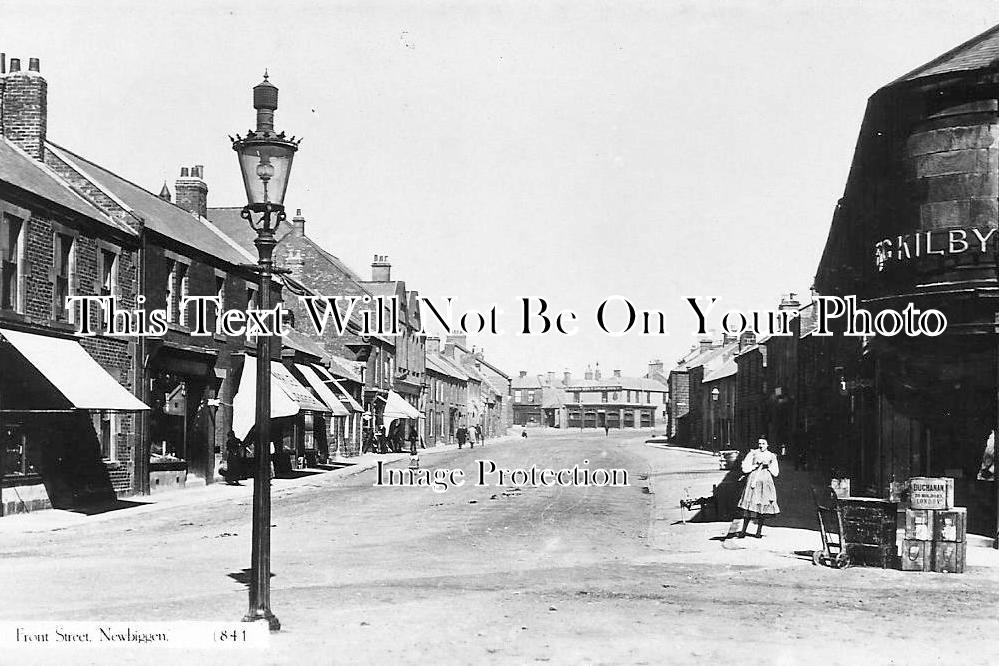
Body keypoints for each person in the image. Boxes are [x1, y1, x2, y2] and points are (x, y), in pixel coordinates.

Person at [736, 436, 780, 538]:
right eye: (759, 443)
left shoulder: (771, 456)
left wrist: (767, 466)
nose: (761, 446)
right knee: (749, 506)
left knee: (762, 506)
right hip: (753, 481)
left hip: (765, 482)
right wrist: (754, 466)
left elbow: (776, 472)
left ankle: (758, 531)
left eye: (763, 444)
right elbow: (745, 467)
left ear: (767, 445)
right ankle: (743, 531)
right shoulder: (753, 453)